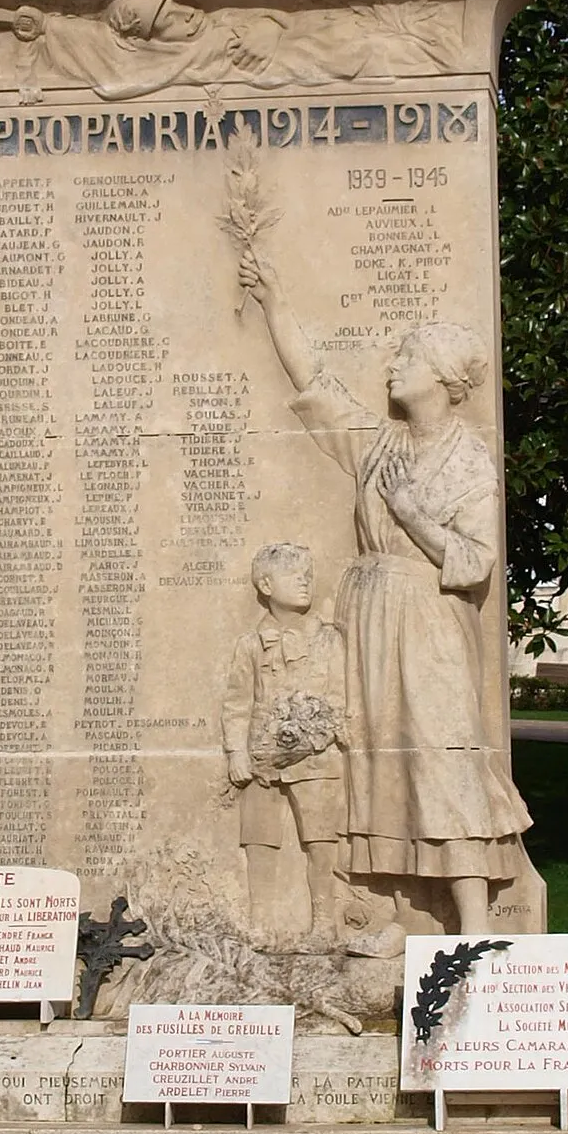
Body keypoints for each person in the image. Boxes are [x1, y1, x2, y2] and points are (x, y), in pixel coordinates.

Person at [237, 246, 531, 934]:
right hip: (367, 615)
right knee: (374, 760)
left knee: (443, 753)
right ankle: (398, 906)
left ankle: (473, 922)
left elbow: (473, 562)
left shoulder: (468, 461)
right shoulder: (381, 445)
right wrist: (276, 297)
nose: (392, 365)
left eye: (406, 357)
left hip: (426, 622)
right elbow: (315, 383)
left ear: (441, 376)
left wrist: (413, 514)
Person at [221, 543, 348, 944]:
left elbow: (340, 699)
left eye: (307, 574)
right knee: (259, 839)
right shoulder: (250, 644)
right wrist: (237, 752)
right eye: (293, 575)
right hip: (262, 761)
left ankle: (324, 925)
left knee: (321, 843)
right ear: (265, 584)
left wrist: (313, 735)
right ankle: (259, 924)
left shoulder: (330, 641)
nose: (305, 581)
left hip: (316, 760)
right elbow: (237, 702)